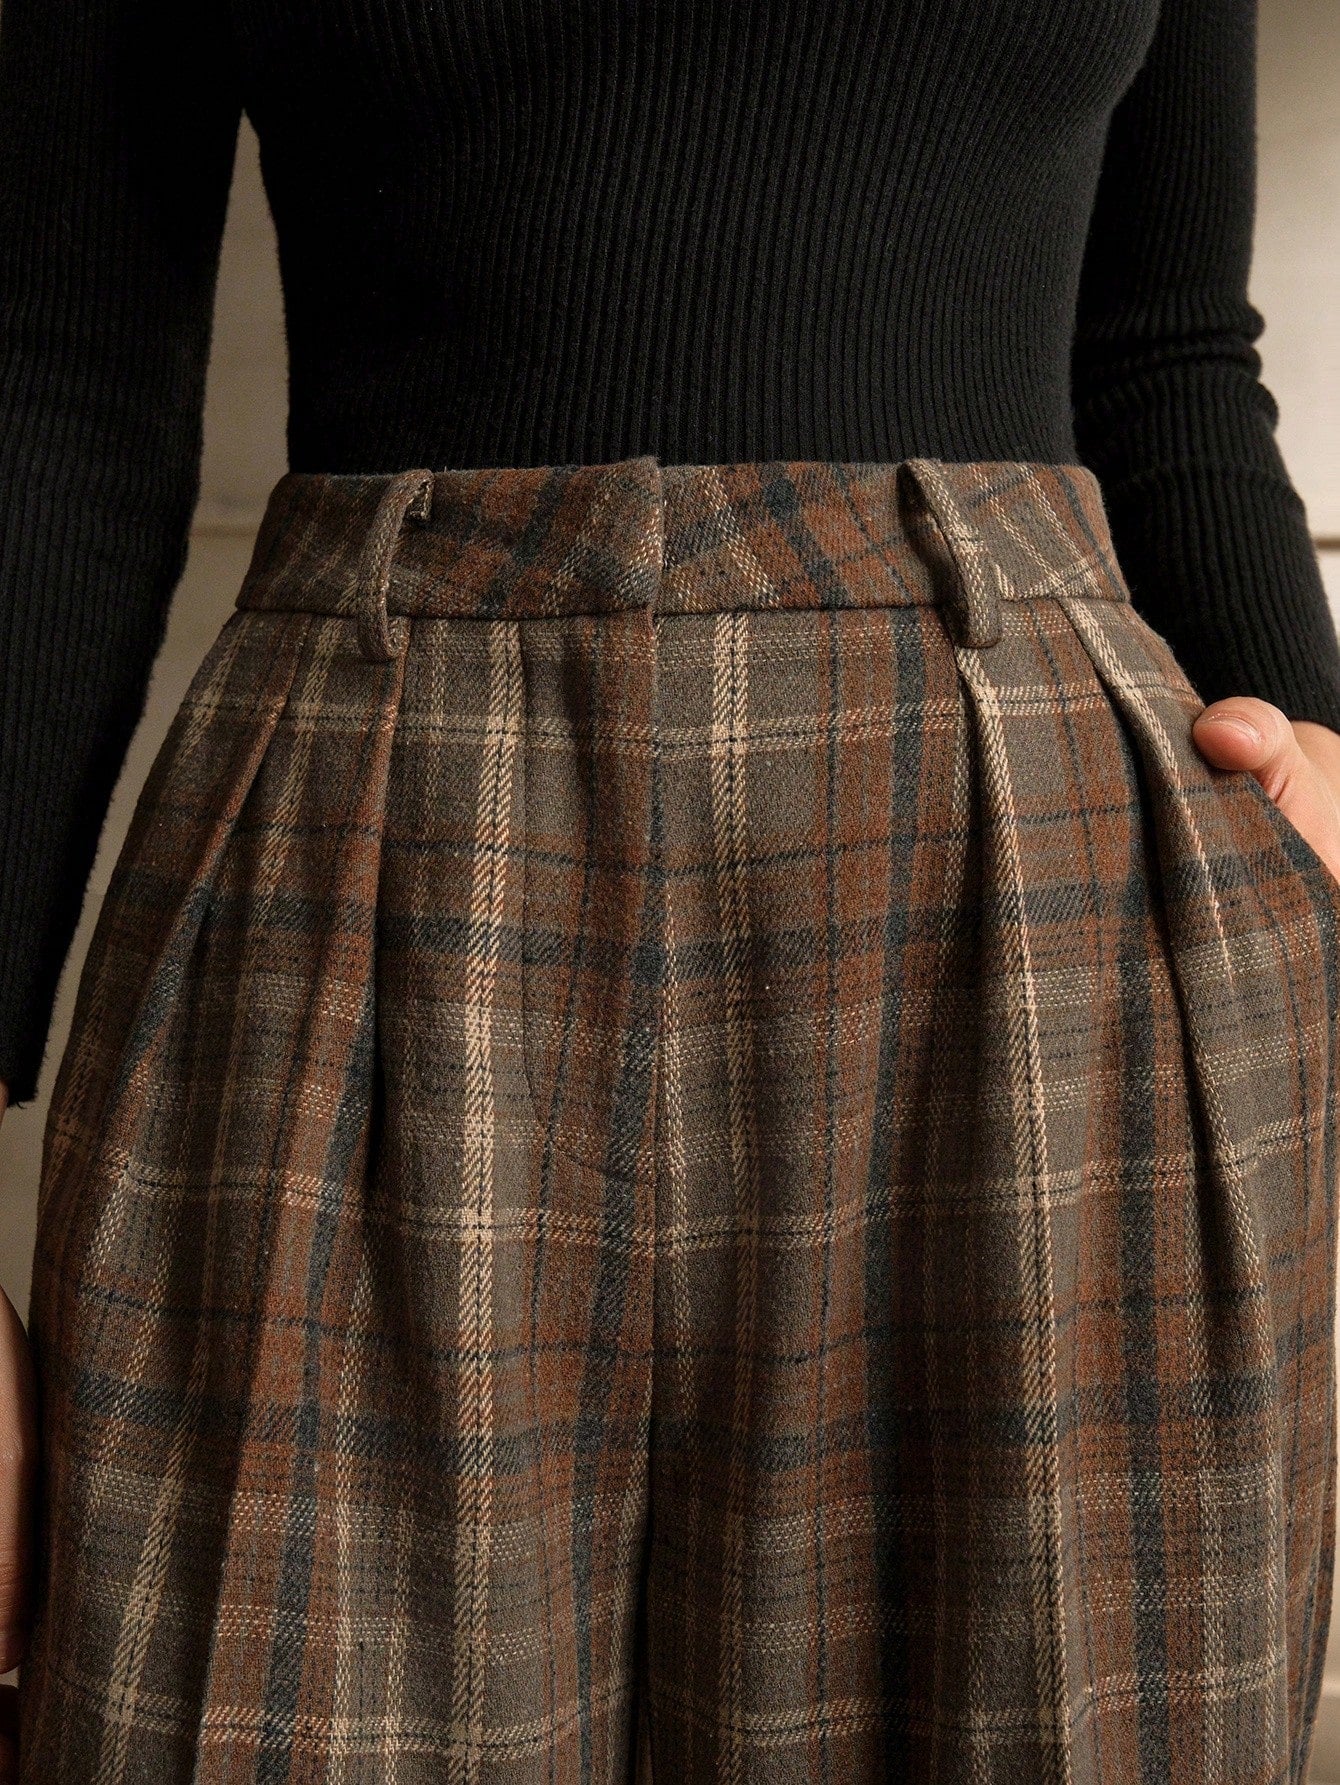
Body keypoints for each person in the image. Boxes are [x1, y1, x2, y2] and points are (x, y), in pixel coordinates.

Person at [2, 0, 1340, 1780]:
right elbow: (60, 374)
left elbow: (1166, 346)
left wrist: (1318, 767)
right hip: (368, 864)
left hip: (1037, 902)